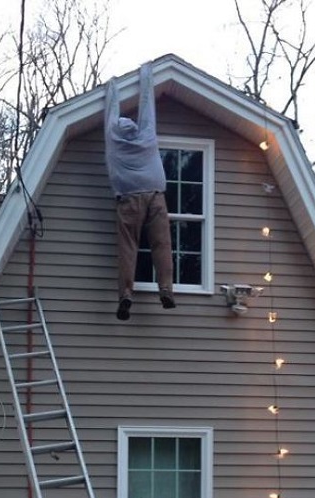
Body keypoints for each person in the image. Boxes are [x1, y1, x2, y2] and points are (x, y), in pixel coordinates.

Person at [104, 62, 176, 321]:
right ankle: (166, 289)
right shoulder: (146, 135)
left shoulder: (113, 140)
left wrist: (112, 87)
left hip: (128, 199)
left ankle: (125, 294)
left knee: (128, 247)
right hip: (155, 195)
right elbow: (147, 105)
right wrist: (147, 73)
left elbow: (110, 113)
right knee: (161, 244)